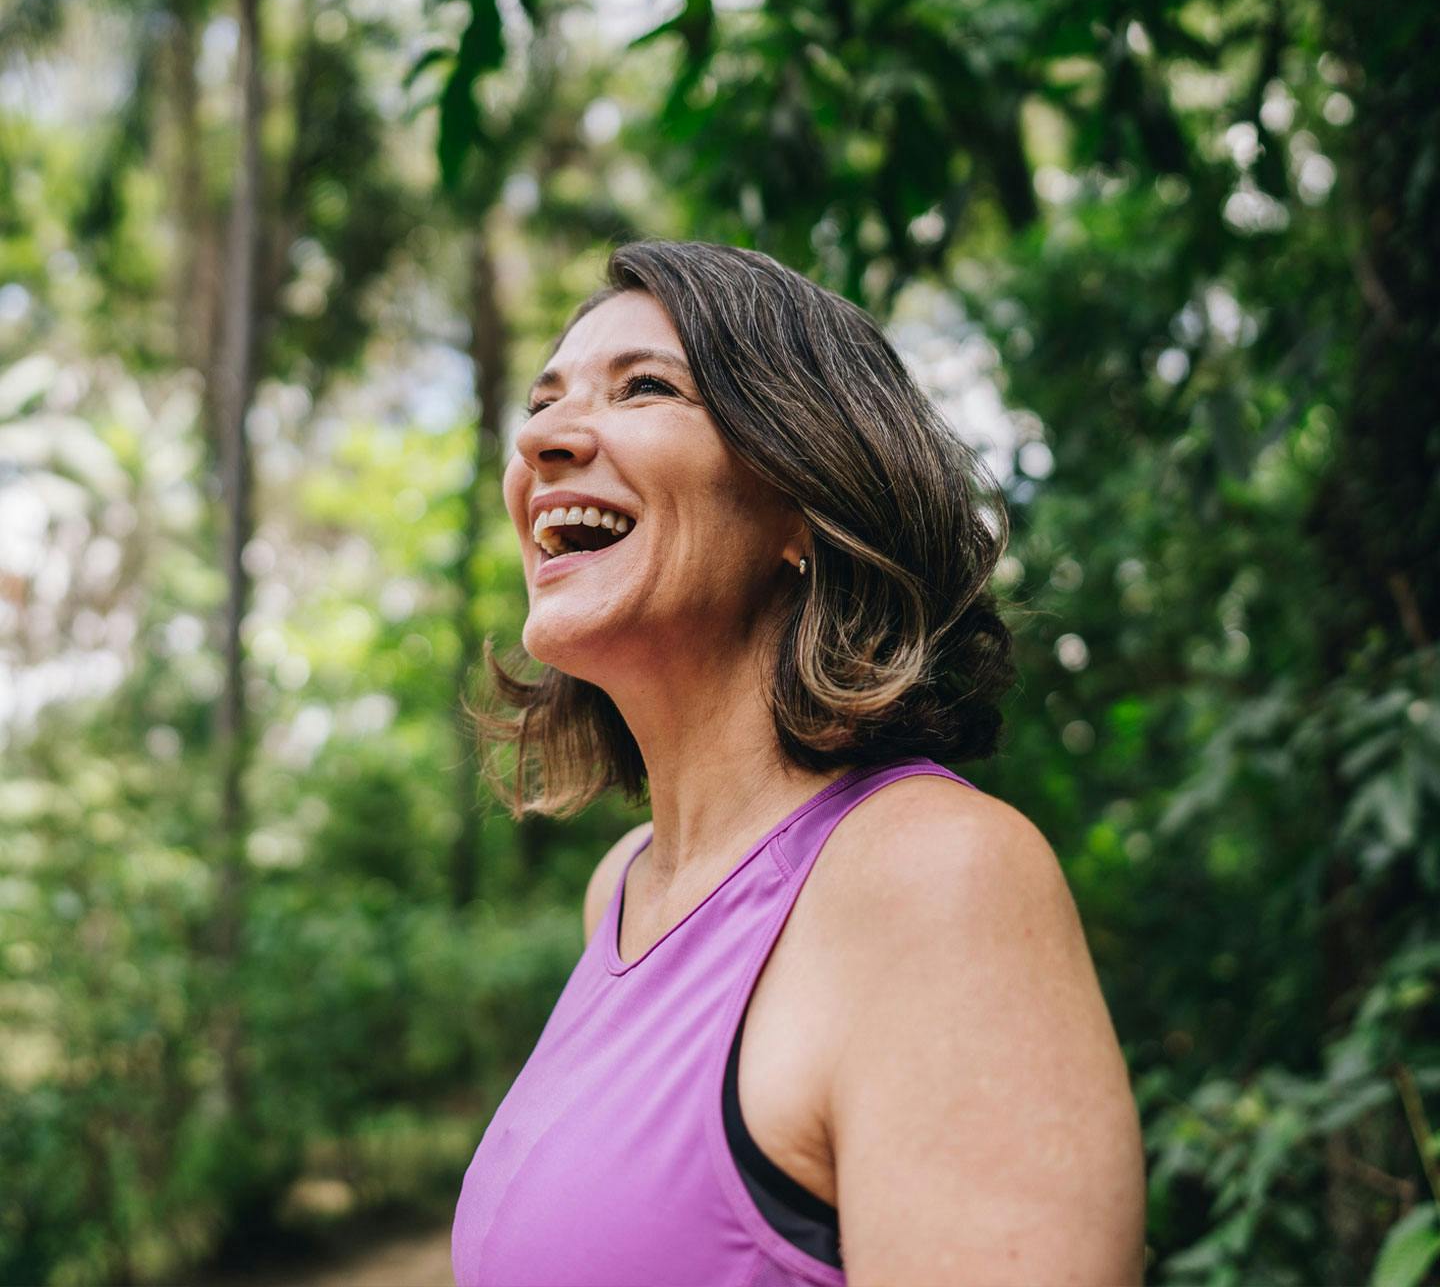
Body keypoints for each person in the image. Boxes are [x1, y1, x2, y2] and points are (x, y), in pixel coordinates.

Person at [451, 240, 1146, 1286]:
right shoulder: (624, 892)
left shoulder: (935, 879)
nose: (544, 437)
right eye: (543, 402)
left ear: (801, 505)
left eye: (645, 387)